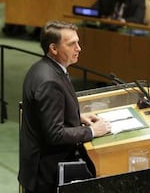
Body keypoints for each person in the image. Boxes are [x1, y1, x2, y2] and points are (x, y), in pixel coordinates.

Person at [18, 21, 112, 193]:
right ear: (53, 48)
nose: (79, 48)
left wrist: (77, 118)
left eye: (78, 42)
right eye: (72, 44)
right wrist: (92, 131)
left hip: (41, 168)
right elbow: (55, 134)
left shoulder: (45, 68)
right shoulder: (49, 81)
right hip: (46, 176)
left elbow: (46, 116)